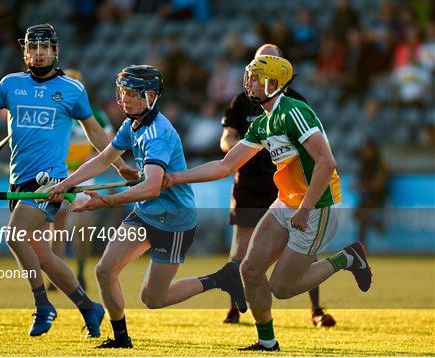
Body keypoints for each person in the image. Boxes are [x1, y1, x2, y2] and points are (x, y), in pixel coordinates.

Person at [163, 54, 373, 351]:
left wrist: (305, 208)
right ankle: (267, 342)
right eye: (248, 76)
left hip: (316, 207)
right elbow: (225, 166)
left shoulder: (294, 112)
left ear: (273, 83)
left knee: (281, 289)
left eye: (254, 78)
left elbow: (326, 163)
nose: (248, 82)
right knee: (249, 269)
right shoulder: (262, 123)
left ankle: (347, 258)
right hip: (285, 203)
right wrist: (175, 177)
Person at [0, 23, 138, 338]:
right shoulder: (10, 85)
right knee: (43, 256)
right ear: (25, 51)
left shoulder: (72, 89)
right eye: (33, 48)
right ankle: (88, 307)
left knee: (14, 237)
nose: (38, 54)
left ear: (55, 51)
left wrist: (120, 164)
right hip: (19, 182)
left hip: (50, 182)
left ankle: (43, 307)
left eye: (45, 48)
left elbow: (95, 132)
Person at [47, 65, 247, 349]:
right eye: (122, 92)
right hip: (145, 214)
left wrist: (106, 201)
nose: (124, 99)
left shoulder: (157, 134)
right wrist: (66, 183)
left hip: (174, 220)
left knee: (153, 299)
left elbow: (153, 187)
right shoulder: (132, 125)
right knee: (105, 271)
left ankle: (220, 279)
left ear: (151, 95)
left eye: (132, 94)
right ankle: (120, 339)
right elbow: (104, 159)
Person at [220, 43, 335, 327]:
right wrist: (248, 147)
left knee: (301, 250)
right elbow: (226, 142)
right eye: (254, 67)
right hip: (247, 183)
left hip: (285, 184)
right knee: (242, 253)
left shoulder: (294, 103)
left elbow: (323, 158)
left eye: (263, 68)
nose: (253, 78)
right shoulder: (242, 102)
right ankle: (237, 309)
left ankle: (316, 309)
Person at [48, 69, 115, 292]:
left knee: (83, 227)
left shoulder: (96, 115)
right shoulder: (54, 114)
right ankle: (58, 277)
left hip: (85, 177)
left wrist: (93, 158)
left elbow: (111, 147)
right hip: (58, 175)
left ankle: (80, 271)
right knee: (57, 227)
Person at [353, 138, 388, 248]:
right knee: (356, 215)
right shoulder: (364, 164)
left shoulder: (380, 165)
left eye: (367, 149)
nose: (364, 151)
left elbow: (379, 185)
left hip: (377, 199)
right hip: (366, 199)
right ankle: (377, 224)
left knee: (363, 219)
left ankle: (361, 248)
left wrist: (362, 185)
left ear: (373, 150)